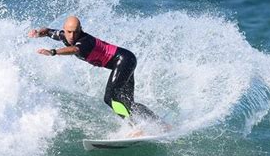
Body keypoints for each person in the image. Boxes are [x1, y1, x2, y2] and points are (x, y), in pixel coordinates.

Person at [28, 16, 169, 132]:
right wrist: (38, 33)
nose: (72, 35)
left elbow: (74, 50)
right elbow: (47, 31)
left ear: (81, 30)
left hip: (124, 61)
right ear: (64, 30)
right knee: (128, 103)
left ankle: (135, 128)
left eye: (76, 32)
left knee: (110, 97)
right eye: (69, 32)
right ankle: (162, 125)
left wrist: (53, 52)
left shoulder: (85, 41)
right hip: (126, 60)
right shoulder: (62, 35)